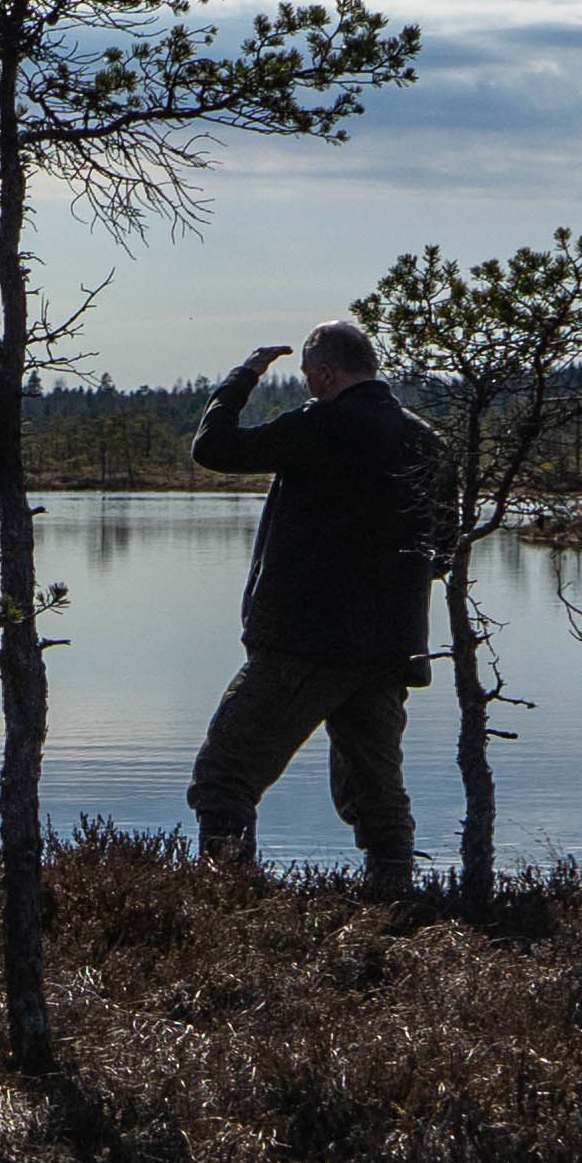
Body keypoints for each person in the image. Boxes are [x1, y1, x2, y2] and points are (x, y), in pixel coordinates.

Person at [184, 318, 442, 890]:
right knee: (377, 787)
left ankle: (226, 902)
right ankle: (393, 896)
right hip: (388, 649)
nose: (305, 384)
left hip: (304, 644)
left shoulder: (323, 424)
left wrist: (242, 377)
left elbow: (215, 448)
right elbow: (442, 545)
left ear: (325, 374)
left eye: (306, 374)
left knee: (225, 774)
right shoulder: (424, 439)